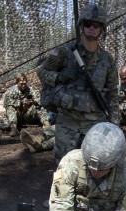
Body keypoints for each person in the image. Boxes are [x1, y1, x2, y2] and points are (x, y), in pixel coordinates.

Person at [37, 3, 120, 164]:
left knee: (95, 164)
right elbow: (41, 71)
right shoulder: (63, 52)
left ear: (102, 29)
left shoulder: (107, 60)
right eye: (87, 23)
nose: (91, 28)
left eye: (96, 25)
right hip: (69, 121)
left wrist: (115, 125)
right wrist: (60, 77)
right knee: (64, 166)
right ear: (81, 26)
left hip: (95, 122)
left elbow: (113, 95)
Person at [3, 73, 50, 137]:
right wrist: (21, 102)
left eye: (25, 83)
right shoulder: (10, 91)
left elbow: (40, 100)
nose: (23, 86)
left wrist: (33, 102)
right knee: (10, 107)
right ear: (17, 83)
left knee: (39, 106)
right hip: (17, 115)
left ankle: (46, 124)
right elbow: (6, 102)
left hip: (29, 114)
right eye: (21, 84)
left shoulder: (31, 90)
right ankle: (13, 128)